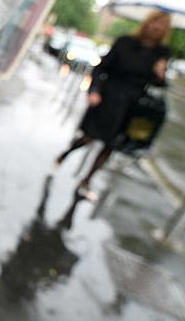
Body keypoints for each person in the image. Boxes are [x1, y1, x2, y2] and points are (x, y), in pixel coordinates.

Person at [54, 10, 172, 194]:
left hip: (132, 105)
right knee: (89, 137)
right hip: (108, 97)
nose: (157, 28)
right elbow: (102, 67)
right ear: (147, 23)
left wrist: (161, 74)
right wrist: (94, 90)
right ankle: (66, 153)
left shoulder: (163, 52)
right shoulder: (125, 42)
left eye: (162, 25)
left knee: (112, 145)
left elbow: (158, 84)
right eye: (155, 22)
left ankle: (86, 181)